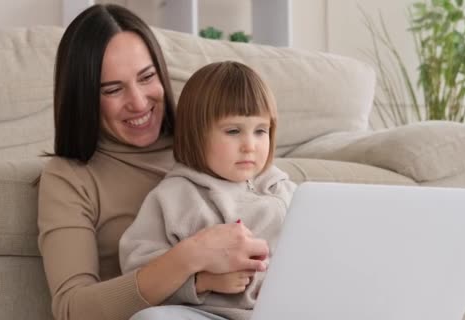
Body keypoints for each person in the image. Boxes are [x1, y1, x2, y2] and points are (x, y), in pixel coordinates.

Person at [37, 4, 270, 320]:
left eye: (147, 77)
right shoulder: (71, 177)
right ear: (85, 98)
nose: (138, 102)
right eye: (113, 89)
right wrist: (191, 258)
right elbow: (72, 309)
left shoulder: (212, 143)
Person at [119, 61, 296, 320]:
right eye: (233, 131)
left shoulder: (286, 189)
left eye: (261, 131)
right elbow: (139, 269)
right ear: (196, 134)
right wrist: (203, 281)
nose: (250, 145)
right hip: (213, 314)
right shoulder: (175, 196)